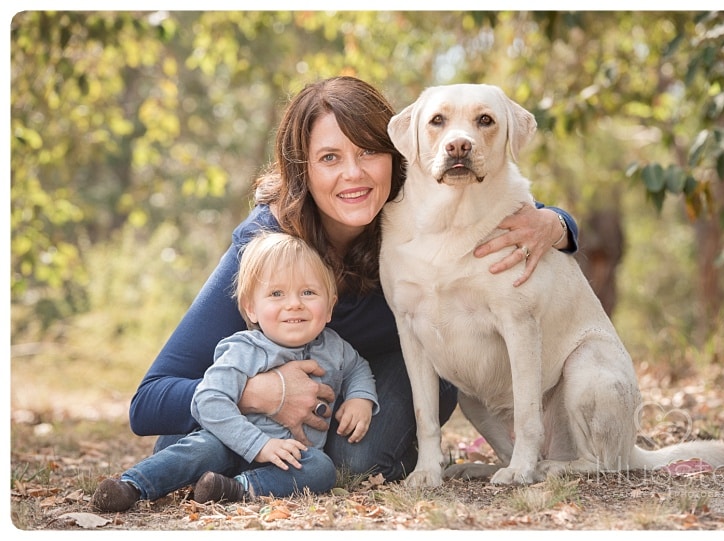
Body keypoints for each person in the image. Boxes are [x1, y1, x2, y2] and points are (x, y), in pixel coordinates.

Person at [127, 76, 579, 482]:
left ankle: (268, 464)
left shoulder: (421, 209)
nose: (354, 174)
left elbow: (504, 204)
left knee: (352, 465)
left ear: (397, 154)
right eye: (329, 157)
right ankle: (239, 461)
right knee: (188, 440)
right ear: (302, 169)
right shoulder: (266, 244)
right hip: (298, 391)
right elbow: (148, 401)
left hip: (398, 373)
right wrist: (258, 393)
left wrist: (558, 224)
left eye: (368, 152)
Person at [91, 232, 378, 512]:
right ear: (251, 309)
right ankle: (132, 486)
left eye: (309, 292)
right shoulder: (244, 349)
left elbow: (357, 369)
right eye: (277, 293)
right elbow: (208, 399)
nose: (294, 303)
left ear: (329, 308)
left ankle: (234, 488)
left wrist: (360, 398)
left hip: (286, 456)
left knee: (321, 469)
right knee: (204, 449)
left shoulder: (335, 347)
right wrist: (259, 445)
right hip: (227, 442)